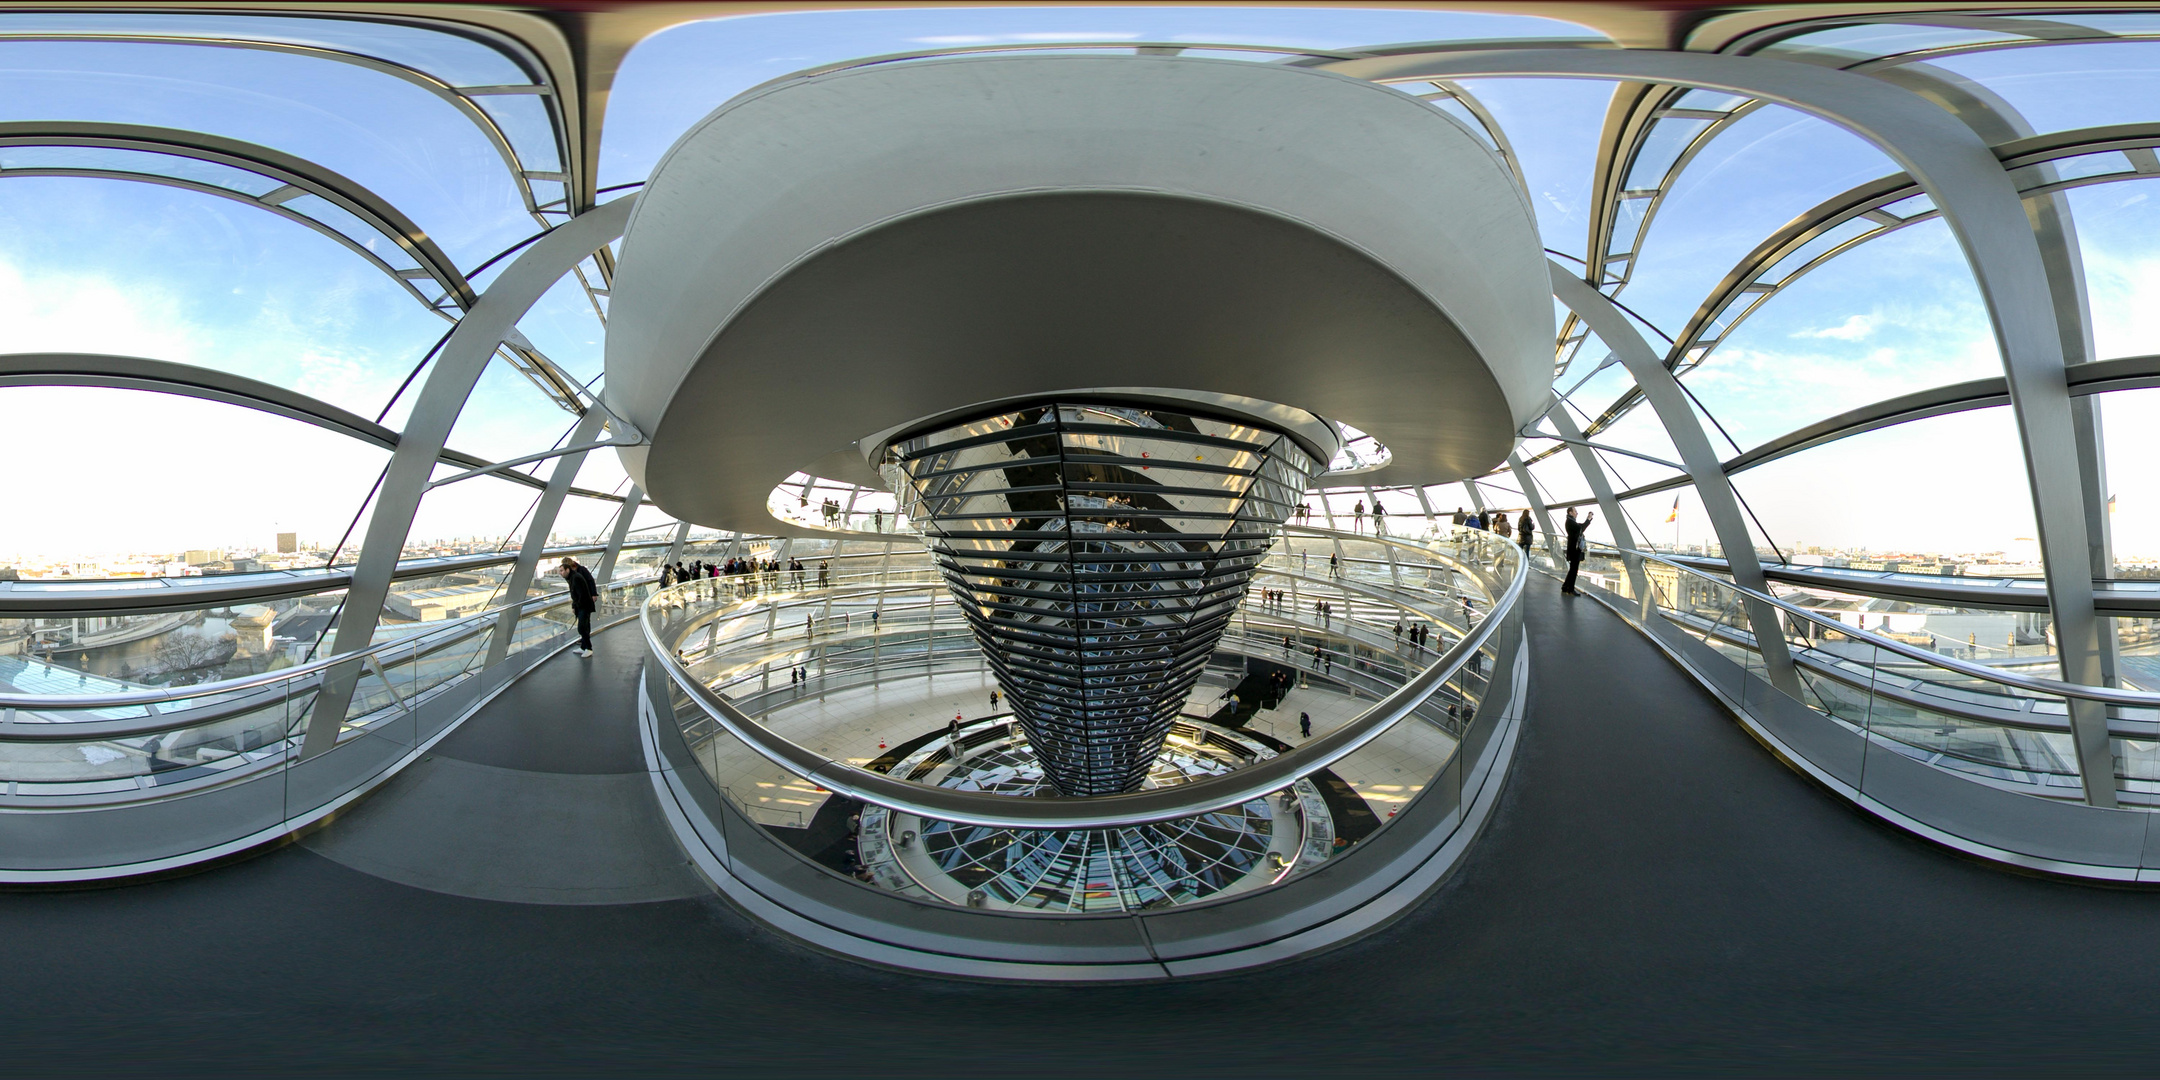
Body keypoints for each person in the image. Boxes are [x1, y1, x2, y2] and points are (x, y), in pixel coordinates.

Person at [560, 556, 598, 657]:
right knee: (583, 625)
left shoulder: (576, 576)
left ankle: (588, 647)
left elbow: (582, 590)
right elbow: (575, 593)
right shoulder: (572, 576)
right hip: (582, 604)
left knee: (582, 626)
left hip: (584, 604)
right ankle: (584, 646)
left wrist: (593, 594)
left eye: (562, 570)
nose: (560, 573)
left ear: (568, 568)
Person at [1562, 508, 1595, 596]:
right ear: (1570, 512)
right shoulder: (1570, 522)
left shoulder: (1570, 521)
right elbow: (1581, 528)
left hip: (1573, 549)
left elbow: (1580, 527)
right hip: (1574, 550)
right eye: (1575, 511)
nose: (1577, 513)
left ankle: (1565, 586)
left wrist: (1588, 519)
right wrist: (1588, 519)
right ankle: (1570, 589)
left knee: (1572, 569)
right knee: (1574, 570)